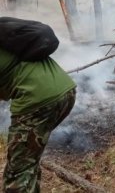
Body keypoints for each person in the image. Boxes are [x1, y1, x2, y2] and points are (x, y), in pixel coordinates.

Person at [0, 47, 76, 192]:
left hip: (39, 100)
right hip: (66, 90)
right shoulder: (7, 40)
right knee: (27, 159)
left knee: (17, 172)